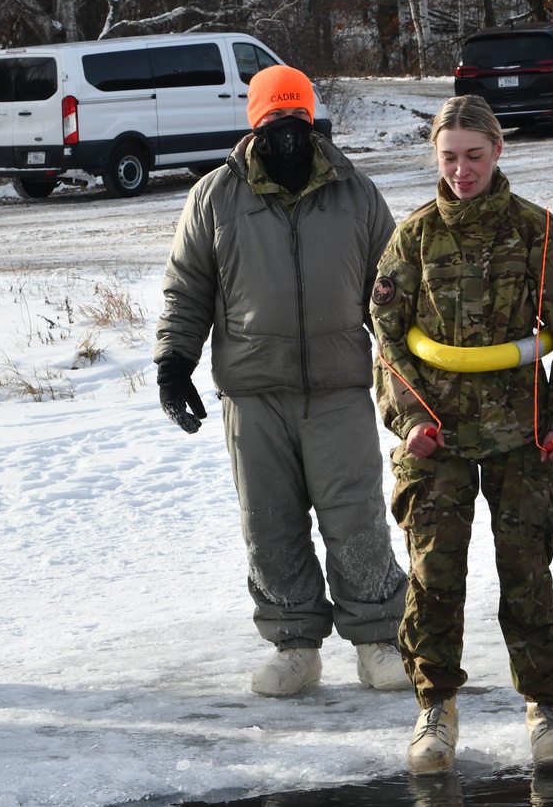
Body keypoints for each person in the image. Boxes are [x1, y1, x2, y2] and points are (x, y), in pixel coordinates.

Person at [154, 64, 408, 697]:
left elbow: (395, 291)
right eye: (273, 119)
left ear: (313, 118)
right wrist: (173, 363)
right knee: (269, 522)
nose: (286, 131)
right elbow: (188, 287)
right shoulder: (214, 196)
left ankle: (378, 638)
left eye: (296, 117)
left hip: (339, 386)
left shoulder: (356, 193)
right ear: (254, 123)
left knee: (355, 517)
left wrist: (411, 369)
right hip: (253, 392)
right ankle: (294, 646)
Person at [369, 94, 553, 773]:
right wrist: (410, 421)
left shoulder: (540, 234)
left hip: (520, 434)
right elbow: (387, 342)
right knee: (434, 572)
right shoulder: (412, 238)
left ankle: (546, 707)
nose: (462, 170)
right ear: (434, 158)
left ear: (499, 152)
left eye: (474, 155)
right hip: (435, 435)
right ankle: (435, 707)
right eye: (449, 157)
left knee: (526, 572)